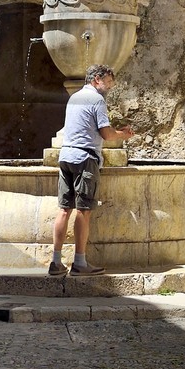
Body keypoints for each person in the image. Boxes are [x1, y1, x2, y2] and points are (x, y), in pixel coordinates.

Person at [49, 64, 135, 277]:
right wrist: (123, 134)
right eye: (108, 81)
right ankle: (79, 263)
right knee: (83, 210)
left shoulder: (74, 98)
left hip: (66, 156)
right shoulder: (97, 100)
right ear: (97, 79)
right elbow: (106, 134)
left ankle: (56, 262)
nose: (110, 86)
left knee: (64, 210)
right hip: (84, 158)